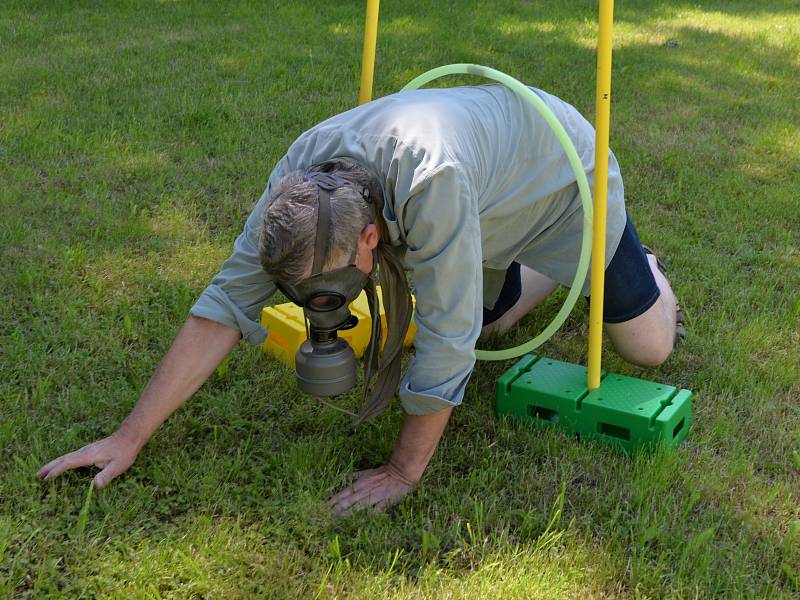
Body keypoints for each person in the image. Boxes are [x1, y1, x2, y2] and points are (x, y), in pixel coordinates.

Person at [37, 84, 683, 514]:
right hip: (488, 196)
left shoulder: (432, 184)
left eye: (334, 291)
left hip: (566, 179)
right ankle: (533, 266)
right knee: (489, 321)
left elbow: (446, 340)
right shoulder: (296, 184)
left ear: (370, 236)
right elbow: (223, 307)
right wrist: (130, 434)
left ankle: (635, 269)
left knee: (645, 345)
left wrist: (403, 471)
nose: (327, 310)